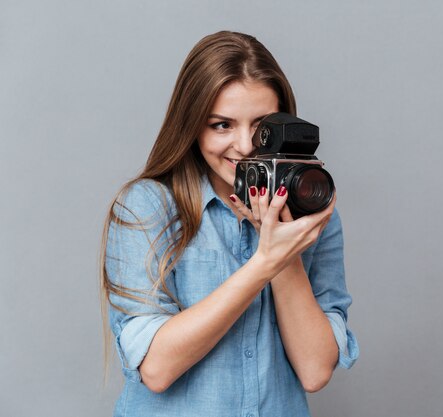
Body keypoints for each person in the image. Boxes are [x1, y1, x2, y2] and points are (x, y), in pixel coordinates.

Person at [100, 31, 359, 417]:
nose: (243, 145)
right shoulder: (147, 207)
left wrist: (284, 253)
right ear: (192, 126)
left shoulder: (311, 211)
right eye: (222, 125)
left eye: (260, 126)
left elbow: (314, 370)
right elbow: (156, 368)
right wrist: (264, 263)